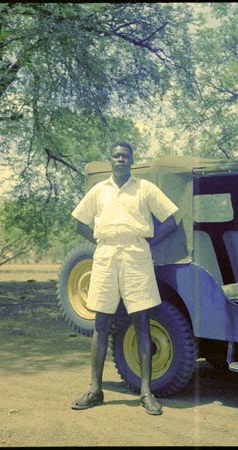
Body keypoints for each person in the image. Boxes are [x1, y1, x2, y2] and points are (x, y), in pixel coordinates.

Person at [70, 141, 178, 415]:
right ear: (110, 160)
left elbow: (171, 220)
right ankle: (95, 390)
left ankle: (146, 393)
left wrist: (147, 243)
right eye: (116, 156)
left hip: (136, 254)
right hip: (105, 255)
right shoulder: (99, 190)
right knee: (101, 322)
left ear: (132, 160)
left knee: (141, 321)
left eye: (125, 156)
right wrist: (100, 242)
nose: (120, 160)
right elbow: (79, 223)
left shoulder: (145, 188)